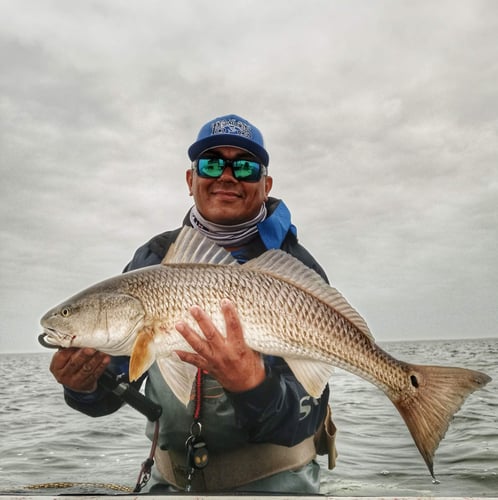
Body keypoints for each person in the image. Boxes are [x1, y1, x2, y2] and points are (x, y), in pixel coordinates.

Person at [49, 114, 337, 494]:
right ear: (191, 180)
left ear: (265, 185)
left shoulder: (294, 268)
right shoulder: (152, 258)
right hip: (169, 482)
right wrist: (84, 387)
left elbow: (307, 414)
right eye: (212, 163)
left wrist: (254, 386)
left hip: (277, 483)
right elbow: (120, 381)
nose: (227, 176)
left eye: (246, 167)